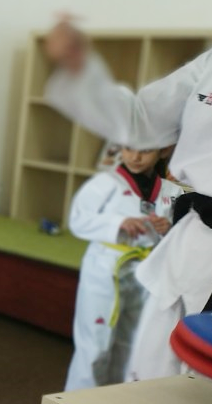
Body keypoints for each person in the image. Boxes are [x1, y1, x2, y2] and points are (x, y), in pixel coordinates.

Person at [44, 16, 212, 404]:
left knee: (202, 396)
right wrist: (81, 69)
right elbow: (139, 120)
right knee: (150, 369)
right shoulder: (208, 66)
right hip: (191, 239)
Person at [63, 147, 182, 391]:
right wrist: (118, 222)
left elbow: (181, 234)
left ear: (163, 152)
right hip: (106, 267)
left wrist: (167, 228)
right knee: (95, 343)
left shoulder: (172, 191)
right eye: (129, 149)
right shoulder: (105, 183)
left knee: (132, 343)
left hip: (146, 270)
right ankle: (77, 403)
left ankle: (115, 401)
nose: (135, 157)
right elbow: (78, 220)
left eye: (145, 151)